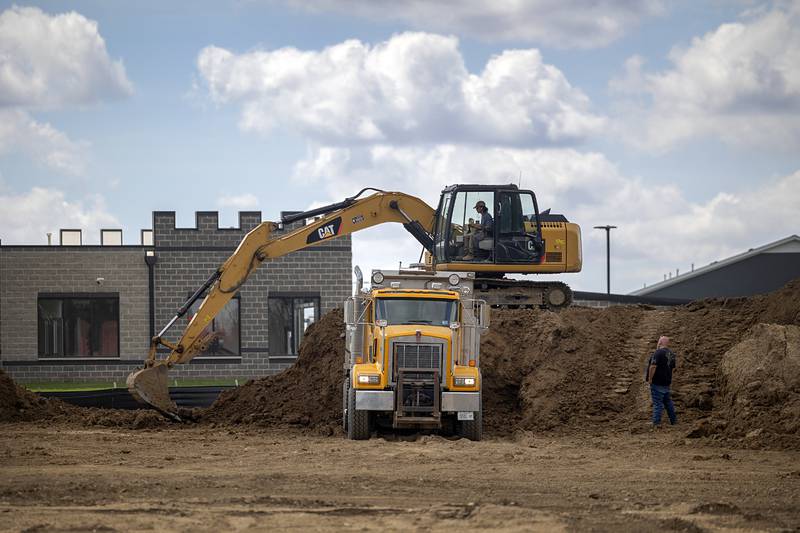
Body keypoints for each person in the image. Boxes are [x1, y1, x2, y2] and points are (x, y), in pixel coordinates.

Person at [646, 335, 677, 428]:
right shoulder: (671, 354)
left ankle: (656, 422)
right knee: (668, 402)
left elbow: (653, 366)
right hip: (666, 382)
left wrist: (650, 379)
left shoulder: (657, 353)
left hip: (657, 382)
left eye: (659, 341)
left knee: (657, 403)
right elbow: (673, 368)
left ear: (660, 343)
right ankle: (673, 421)